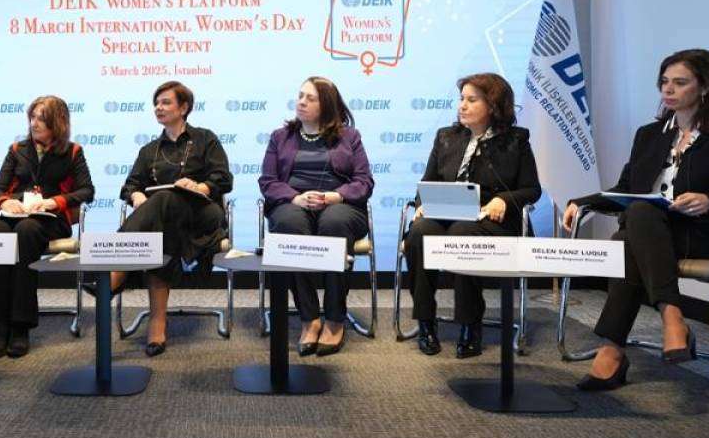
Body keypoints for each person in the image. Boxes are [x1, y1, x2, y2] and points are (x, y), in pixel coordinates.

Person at [563, 49, 709, 391]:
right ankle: (670, 319)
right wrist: (581, 202)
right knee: (637, 220)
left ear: (705, 87)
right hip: (650, 233)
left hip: (705, 235)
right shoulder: (650, 134)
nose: (668, 90)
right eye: (664, 82)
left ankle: (615, 349)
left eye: (679, 82)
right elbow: (627, 188)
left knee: (630, 231)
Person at [403, 73, 541, 358]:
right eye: (461, 99)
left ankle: (470, 323)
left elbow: (532, 189)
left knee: (461, 234)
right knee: (419, 232)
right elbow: (427, 182)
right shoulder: (446, 137)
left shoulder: (515, 140)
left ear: (493, 105)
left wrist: (504, 199)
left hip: (493, 222)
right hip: (447, 216)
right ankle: (426, 322)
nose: (462, 105)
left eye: (471, 100)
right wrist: (421, 204)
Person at [110, 81, 233, 356]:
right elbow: (130, 185)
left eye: (165, 102)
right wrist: (136, 197)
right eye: (156, 103)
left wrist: (200, 187)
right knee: (160, 226)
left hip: (202, 216)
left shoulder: (206, 139)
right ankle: (157, 325)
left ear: (184, 107)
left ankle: (115, 272)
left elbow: (223, 178)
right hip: (166, 225)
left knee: (164, 199)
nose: (159, 107)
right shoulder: (149, 150)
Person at [259, 76, 375, 356]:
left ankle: (334, 319)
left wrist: (336, 196)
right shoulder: (280, 137)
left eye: (310, 98)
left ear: (327, 105)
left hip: (340, 205)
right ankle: (309, 318)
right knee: (289, 224)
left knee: (333, 223)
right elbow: (268, 181)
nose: (301, 102)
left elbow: (364, 182)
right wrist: (295, 197)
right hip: (294, 203)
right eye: (300, 96)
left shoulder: (350, 137)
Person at [0, 95, 94, 358]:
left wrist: (56, 202)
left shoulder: (73, 152)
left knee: (26, 231)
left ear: (58, 122)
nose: (34, 123)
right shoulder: (17, 149)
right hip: (13, 213)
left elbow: (87, 190)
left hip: (48, 219)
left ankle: (20, 326)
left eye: (41, 118)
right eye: (32, 117)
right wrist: (5, 202)